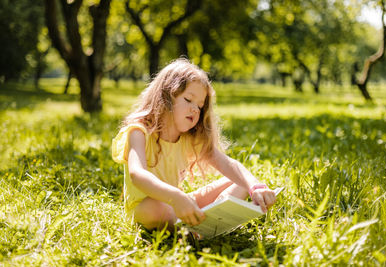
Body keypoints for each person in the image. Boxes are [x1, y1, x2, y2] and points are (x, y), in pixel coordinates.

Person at [112, 58, 276, 232]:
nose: (195, 109)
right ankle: (197, 226)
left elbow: (228, 164)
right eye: (189, 100)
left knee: (240, 181)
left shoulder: (188, 138)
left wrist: (255, 186)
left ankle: (207, 223)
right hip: (146, 209)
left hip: (179, 203)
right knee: (158, 208)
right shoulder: (139, 132)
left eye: (200, 106)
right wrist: (175, 197)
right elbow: (137, 174)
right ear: (166, 96)